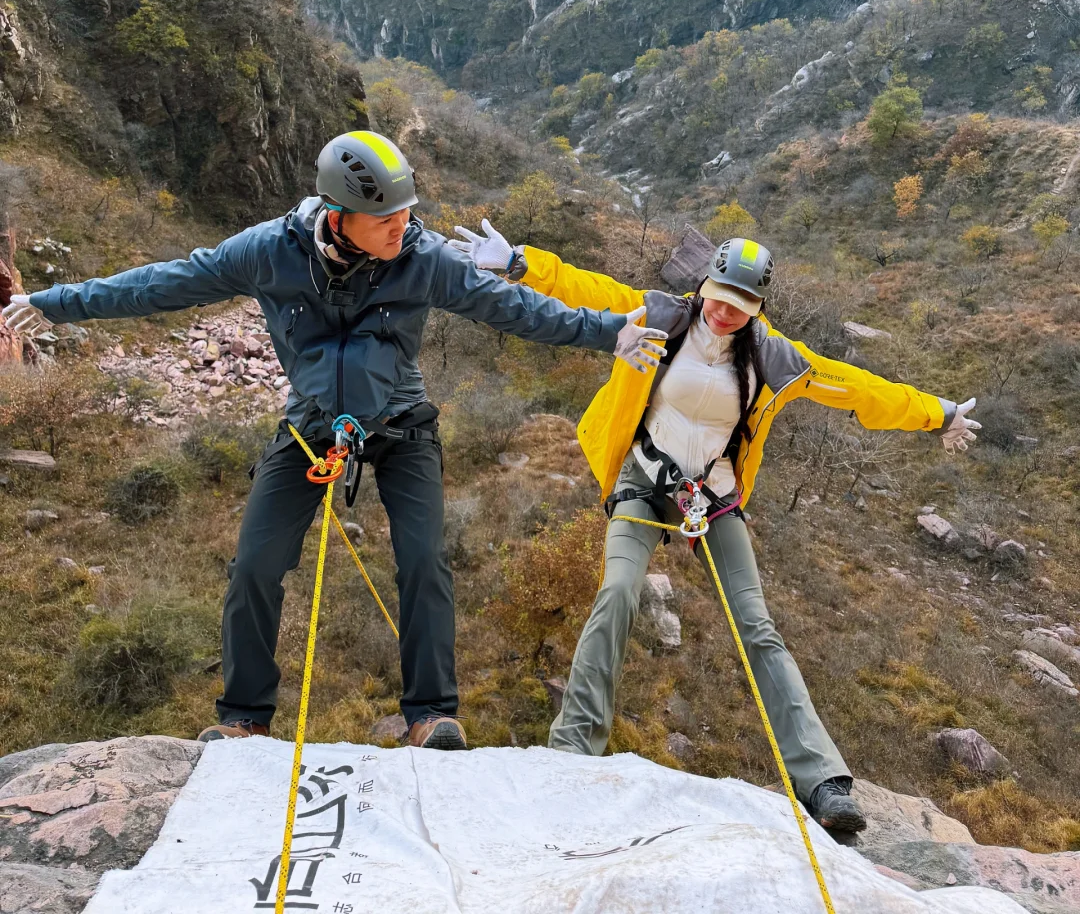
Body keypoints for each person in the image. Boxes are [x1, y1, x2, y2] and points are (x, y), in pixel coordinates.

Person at [2, 132, 660, 752]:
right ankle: (244, 722)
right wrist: (58, 302)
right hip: (311, 425)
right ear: (338, 215)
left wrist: (607, 333)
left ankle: (430, 716)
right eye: (386, 219)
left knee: (424, 562)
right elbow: (166, 281)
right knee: (255, 565)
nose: (402, 228)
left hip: (403, 427)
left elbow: (512, 307)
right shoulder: (268, 251)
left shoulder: (422, 258)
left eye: (407, 214)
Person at [449, 220, 980, 830]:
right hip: (643, 483)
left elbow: (854, 388)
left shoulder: (773, 356)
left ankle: (824, 781)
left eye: (745, 304)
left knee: (756, 624)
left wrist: (936, 413)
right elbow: (587, 290)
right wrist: (521, 263)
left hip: (714, 496)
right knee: (617, 592)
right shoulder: (662, 317)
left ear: (759, 307)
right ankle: (573, 746)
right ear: (705, 286)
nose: (729, 313)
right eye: (722, 298)